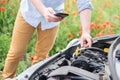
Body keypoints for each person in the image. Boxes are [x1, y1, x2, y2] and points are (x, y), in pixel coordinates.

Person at [2, 0, 93, 79]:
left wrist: (85, 32)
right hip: (29, 12)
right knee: (16, 52)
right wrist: (43, 11)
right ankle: (6, 78)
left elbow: (84, 3)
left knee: (42, 57)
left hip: (52, 18)